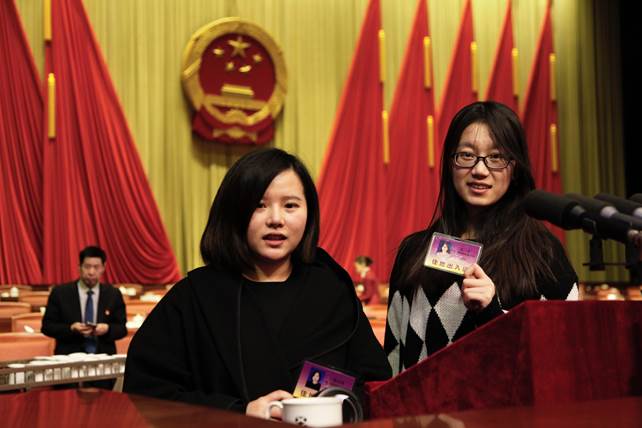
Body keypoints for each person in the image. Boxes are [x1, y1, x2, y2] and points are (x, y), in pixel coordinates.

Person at [123, 148, 391, 417]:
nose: (276, 219)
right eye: (259, 205)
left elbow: (374, 385)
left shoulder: (332, 290)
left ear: (309, 213)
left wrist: (329, 405)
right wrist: (239, 412)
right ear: (232, 212)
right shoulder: (195, 296)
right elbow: (146, 393)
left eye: (290, 205)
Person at [385, 101, 579, 375]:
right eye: (467, 155)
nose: (480, 169)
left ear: (515, 168)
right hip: (424, 403)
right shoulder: (414, 252)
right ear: (449, 163)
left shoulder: (544, 254)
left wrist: (493, 313)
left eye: (496, 157)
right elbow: (394, 358)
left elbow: (560, 358)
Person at [41, 246, 127, 388]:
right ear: (79, 267)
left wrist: (107, 329)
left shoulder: (113, 294)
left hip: (103, 364)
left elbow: (122, 328)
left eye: (96, 267)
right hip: (68, 363)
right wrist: (71, 328)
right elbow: (47, 327)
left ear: (103, 268)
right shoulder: (60, 293)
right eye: (87, 267)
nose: (91, 272)